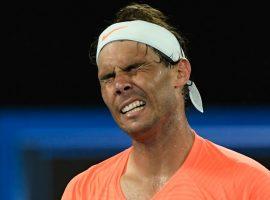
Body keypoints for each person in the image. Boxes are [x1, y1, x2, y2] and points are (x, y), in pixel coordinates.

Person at [62, 3, 270, 200]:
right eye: (108, 77)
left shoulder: (252, 185)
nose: (119, 84)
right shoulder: (82, 190)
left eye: (134, 68)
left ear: (180, 73)